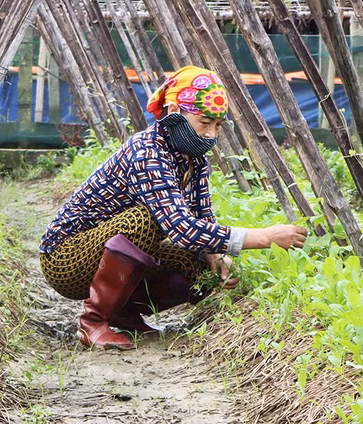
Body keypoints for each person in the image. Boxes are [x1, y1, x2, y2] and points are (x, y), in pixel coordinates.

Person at [39, 66, 308, 350]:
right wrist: (265, 237)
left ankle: (122, 312)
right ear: (175, 111)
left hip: (102, 252)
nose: (211, 135)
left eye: (217, 126)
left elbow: (203, 217)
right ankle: (93, 321)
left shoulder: (195, 162)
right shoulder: (147, 151)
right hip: (65, 257)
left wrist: (216, 258)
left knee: (198, 265)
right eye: (204, 122)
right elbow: (181, 228)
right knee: (144, 220)